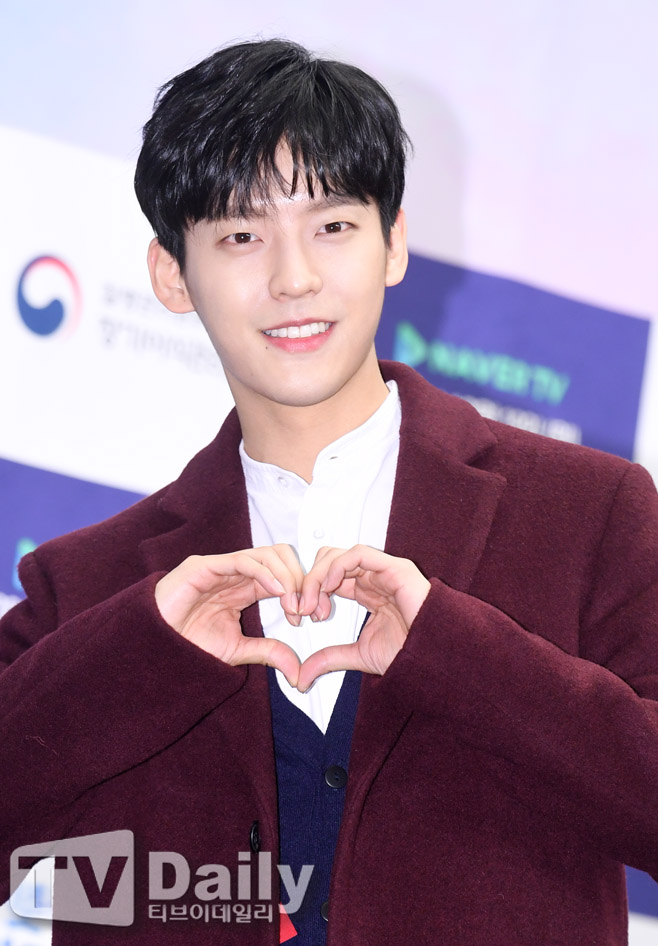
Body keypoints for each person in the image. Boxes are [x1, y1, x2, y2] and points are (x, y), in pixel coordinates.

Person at [2, 37, 658, 946]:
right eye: (241, 236)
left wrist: (459, 651)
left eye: (333, 226)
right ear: (171, 274)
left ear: (394, 242)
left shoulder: (587, 513)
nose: (294, 278)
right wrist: (139, 655)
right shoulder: (91, 587)